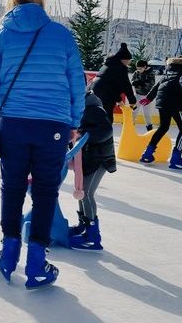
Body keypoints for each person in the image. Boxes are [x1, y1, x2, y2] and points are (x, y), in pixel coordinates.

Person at [0, 0, 84, 289]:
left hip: (13, 123)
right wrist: (75, 120)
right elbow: (77, 82)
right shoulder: (61, 35)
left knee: (12, 188)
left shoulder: (1, 36)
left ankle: (9, 253)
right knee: (45, 192)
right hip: (53, 125)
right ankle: (37, 264)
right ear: (40, 3)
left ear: (12, 2)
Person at [67, 88, 115, 251]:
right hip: (87, 158)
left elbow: (106, 131)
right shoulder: (81, 108)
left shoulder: (94, 109)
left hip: (99, 158)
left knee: (86, 193)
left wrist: (85, 134)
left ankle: (93, 235)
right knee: (81, 191)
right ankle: (83, 225)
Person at [138, 51, 182, 170]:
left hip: (163, 101)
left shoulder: (170, 67)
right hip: (176, 101)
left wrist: (149, 98)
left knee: (163, 127)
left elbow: (159, 84)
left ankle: (147, 153)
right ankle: (176, 158)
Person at [90, 42, 137, 121]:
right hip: (104, 95)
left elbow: (113, 86)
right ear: (124, 59)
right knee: (107, 119)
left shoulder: (108, 65)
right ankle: (102, 132)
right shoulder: (120, 68)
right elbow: (126, 86)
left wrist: (118, 100)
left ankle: (93, 132)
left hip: (93, 91)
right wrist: (132, 102)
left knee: (98, 116)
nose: (129, 62)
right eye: (129, 60)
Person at [131, 60, 157, 130]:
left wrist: (142, 83)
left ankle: (149, 128)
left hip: (146, 97)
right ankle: (131, 126)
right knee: (134, 111)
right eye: (137, 68)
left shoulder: (151, 73)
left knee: (147, 114)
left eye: (140, 68)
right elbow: (132, 80)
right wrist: (134, 82)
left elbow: (152, 84)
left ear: (145, 67)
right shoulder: (136, 73)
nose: (138, 70)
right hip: (137, 95)